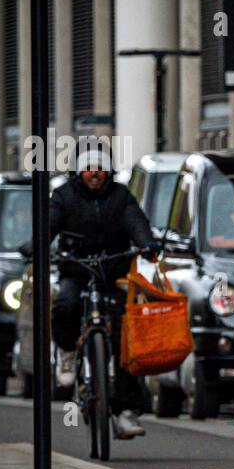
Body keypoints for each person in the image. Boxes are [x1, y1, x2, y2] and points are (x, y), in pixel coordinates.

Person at [22, 146, 158, 439]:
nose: (93, 173)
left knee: (126, 334)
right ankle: (68, 352)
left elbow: (136, 221)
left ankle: (126, 411)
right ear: (79, 172)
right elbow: (49, 224)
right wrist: (34, 245)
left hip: (113, 271)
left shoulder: (121, 196)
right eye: (88, 168)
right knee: (66, 305)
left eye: (99, 168)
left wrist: (146, 243)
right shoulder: (63, 196)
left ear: (107, 172)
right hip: (76, 269)